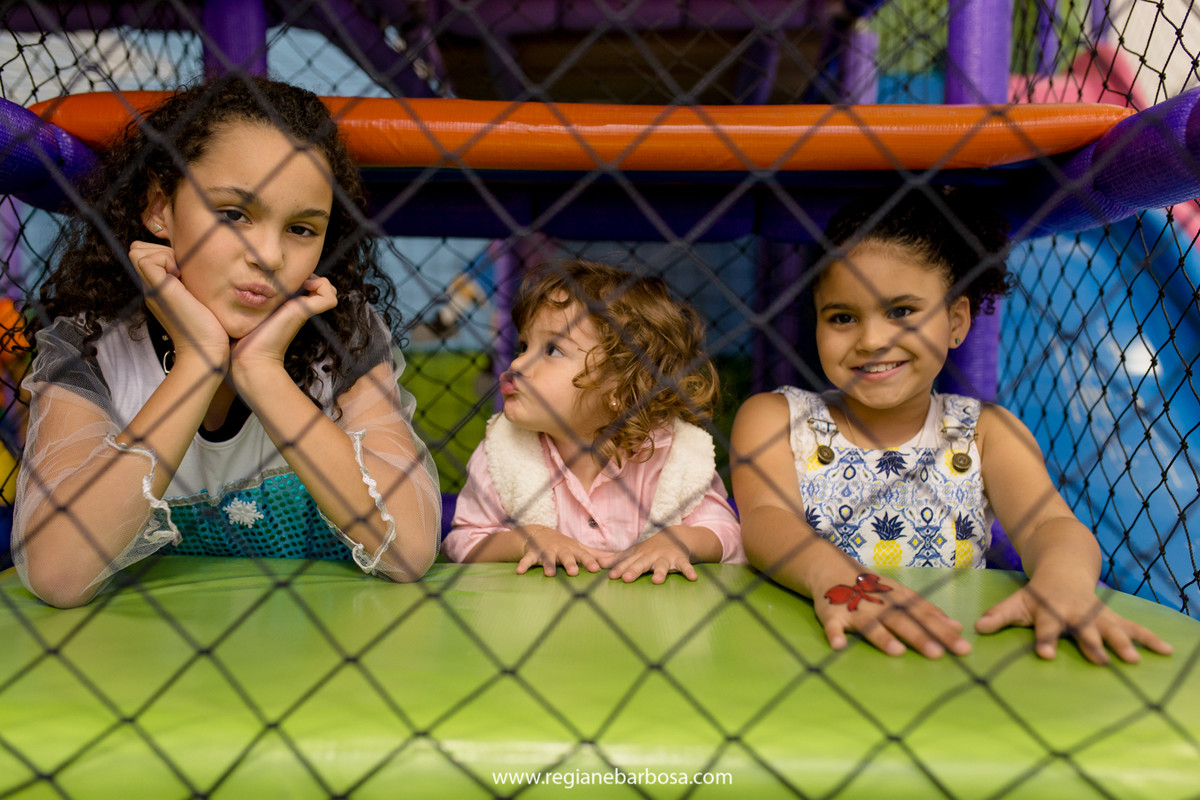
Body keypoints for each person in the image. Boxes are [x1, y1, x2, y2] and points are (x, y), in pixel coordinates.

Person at [11, 75, 441, 607]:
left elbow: (411, 550)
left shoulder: (342, 335)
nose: (269, 255)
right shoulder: (93, 343)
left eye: (302, 229)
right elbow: (58, 573)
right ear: (159, 209)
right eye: (234, 214)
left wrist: (262, 370)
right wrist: (198, 364)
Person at [730, 188, 1172, 664]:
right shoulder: (776, 419)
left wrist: (1062, 580)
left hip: (947, 660)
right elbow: (766, 520)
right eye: (842, 317)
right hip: (810, 653)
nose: (872, 339)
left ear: (955, 320)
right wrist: (844, 582)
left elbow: (1049, 523)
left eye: (901, 311)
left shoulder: (985, 433)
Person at [444, 259, 744, 582]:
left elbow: (727, 534)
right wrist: (527, 539)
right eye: (523, 345)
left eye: (553, 351)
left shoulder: (672, 456)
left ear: (620, 387)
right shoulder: (504, 454)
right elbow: (460, 543)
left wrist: (680, 541)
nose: (517, 363)